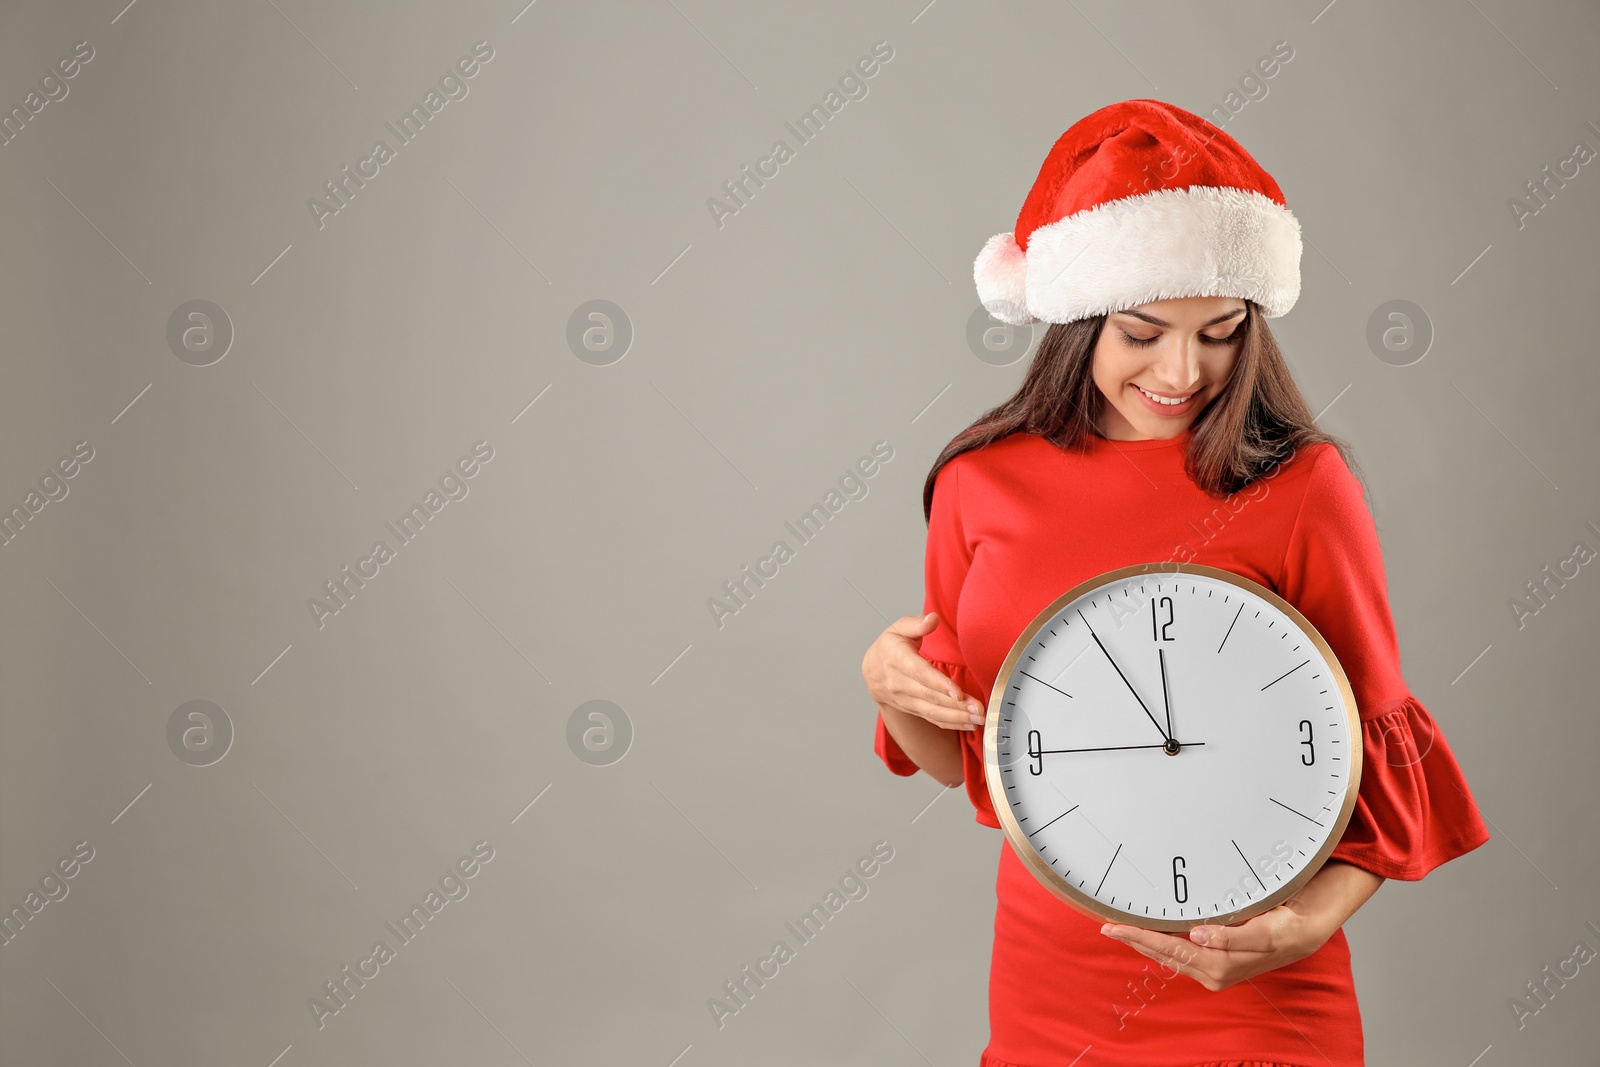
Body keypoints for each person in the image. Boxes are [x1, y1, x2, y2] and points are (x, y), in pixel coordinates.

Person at [861, 99, 1491, 1067]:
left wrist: (1305, 924)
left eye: (1220, 331)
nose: (1182, 370)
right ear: (1076, 323)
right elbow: (964, 759)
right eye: (1142, 331)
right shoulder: (976, 482)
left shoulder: (1303, 487)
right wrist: (889, 683)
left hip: (1255, 992)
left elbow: (1373, 758)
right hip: (1050, 988)